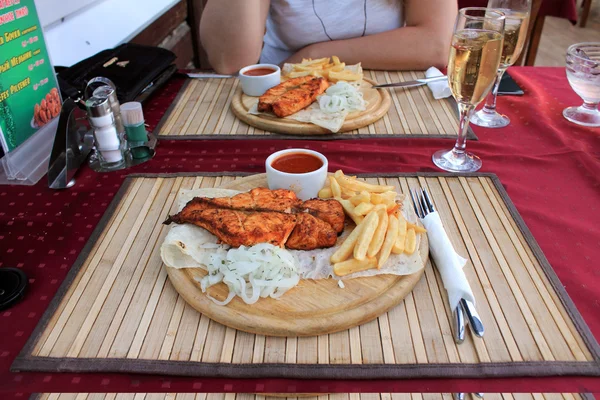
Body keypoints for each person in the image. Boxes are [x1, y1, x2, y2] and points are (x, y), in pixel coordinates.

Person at [200, 0, 457, 75]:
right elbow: (230, 62)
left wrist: (314, 55)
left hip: (389, 91)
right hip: (280, 92)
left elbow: (434, 44)